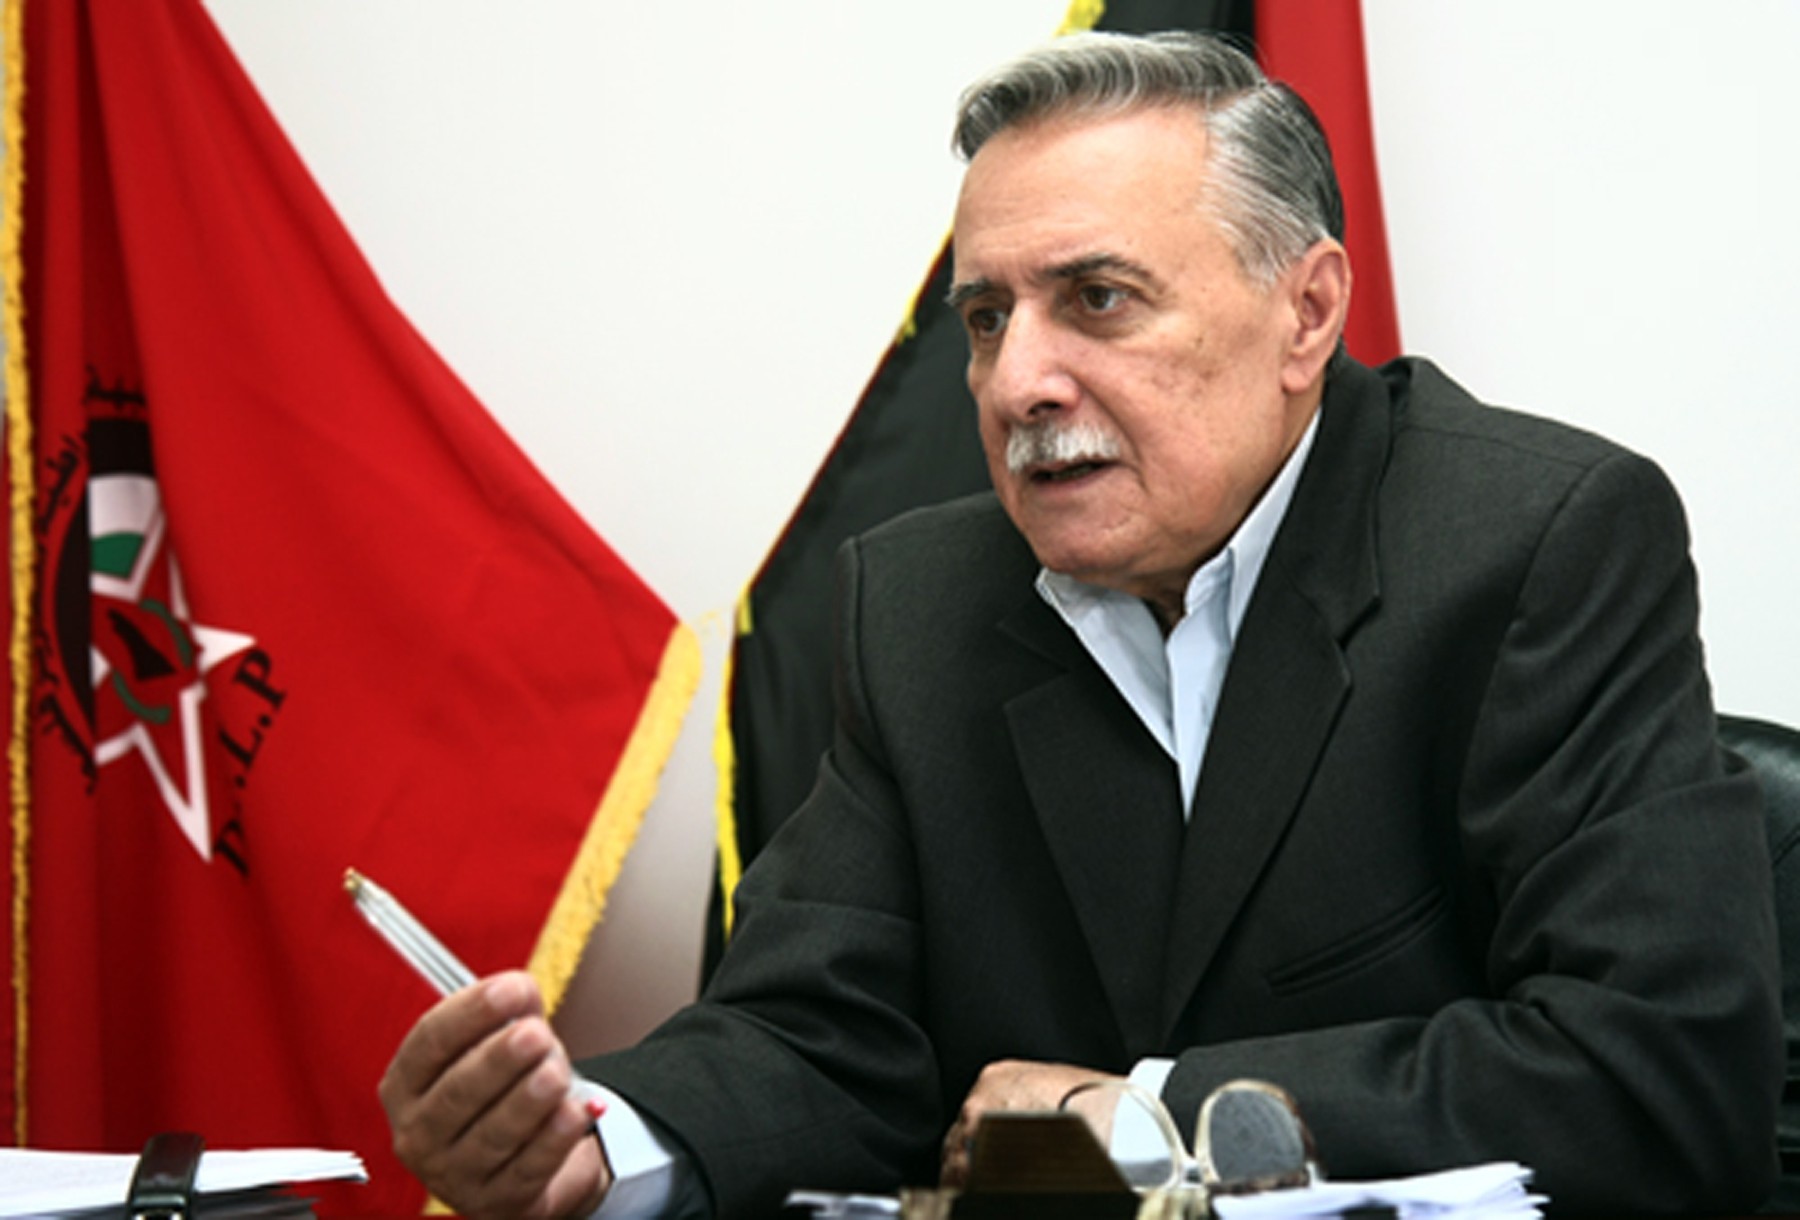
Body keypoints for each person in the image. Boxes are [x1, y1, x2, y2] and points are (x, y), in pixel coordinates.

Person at [378, 31, 1783, 1218]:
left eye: (1097, 300)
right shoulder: (919, 604)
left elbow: (1655, 1074)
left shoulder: (1538, 544)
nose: (1016, 385)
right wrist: (595, 1145)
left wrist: (1151, 1119)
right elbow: (820, 1034)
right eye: (988, 318)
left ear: (1306, 316)